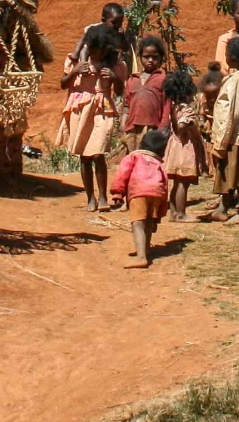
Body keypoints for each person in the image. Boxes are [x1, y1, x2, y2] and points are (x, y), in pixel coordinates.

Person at [58, 25, 124, 211]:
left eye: (100, 52)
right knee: (84, 157)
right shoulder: (76, 62)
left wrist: (114, 78)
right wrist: (75, 71)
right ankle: (90, 198)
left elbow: (120, 91)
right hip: (80, 109)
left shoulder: (115, 66)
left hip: (102, 109)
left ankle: (103, 197)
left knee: (98, 152)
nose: (96, 55)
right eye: (93, 51)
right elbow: (63, 84)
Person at [207, 37, 239, 223]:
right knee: (226, 172)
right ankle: (223, 207)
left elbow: (231, 112)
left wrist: (221, 141)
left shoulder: (235, 81)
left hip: (232, 136)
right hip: (235, 135)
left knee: (238, 175)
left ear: (234, 58)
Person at [110, 127, 171, 268]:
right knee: (148, 222)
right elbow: (165, 184)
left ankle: (141, 256)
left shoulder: (133, 156)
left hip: (139, 192)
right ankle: (146, 250)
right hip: (156, 193)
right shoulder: (159, 163)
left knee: (138, 223)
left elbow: (122, 174)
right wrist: (162, 209)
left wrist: (117, 193)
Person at [161, 66, 208, 221]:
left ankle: (173, 212)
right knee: (183, 182)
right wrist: (189, 128)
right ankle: (181, 213)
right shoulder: (186, 109)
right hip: (185, 147)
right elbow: (182, 125)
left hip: (175, 146)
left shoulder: (174, 107)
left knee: (177, 182)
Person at [121, 35, 171, 151]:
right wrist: (123, 123)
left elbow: (167, 105)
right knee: (134, 156)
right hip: (133, 128)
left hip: (153, 127)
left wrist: (163, 127)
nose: (150, 60)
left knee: (150, 156)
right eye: (146, 57)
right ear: (140, 58)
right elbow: (126, 105)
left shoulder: (163, 79)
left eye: (154, 57)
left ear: (161, 58)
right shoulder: (132, 80)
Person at [67, 2, 134, 74]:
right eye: (113, 22)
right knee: (85, 48)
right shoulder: (94, 28)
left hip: (108, 52)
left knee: (114, 54)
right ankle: (84, 64)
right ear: (103, 20)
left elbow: (125, 48)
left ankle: (105, 68)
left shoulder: (118, 32)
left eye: (120, 23)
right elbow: (84, 38)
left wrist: (122, 36)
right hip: (92, 50)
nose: (117, 25)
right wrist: (76, 52)